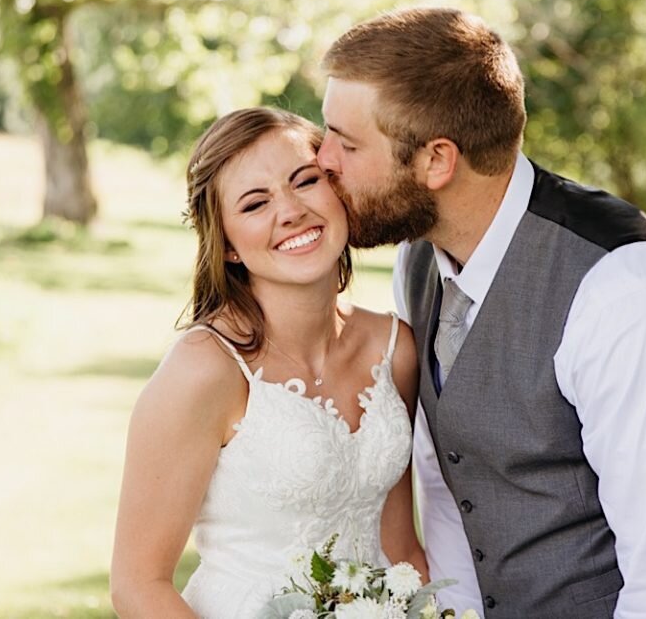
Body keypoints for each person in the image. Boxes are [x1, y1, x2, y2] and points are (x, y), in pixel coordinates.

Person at [317, 7, 646, 618]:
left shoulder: (629, 293)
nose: (321, 158)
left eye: (346, 142)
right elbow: (450, 487)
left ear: (437, 160)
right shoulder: (420, 259)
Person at [110, 107, 426, 618]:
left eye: (305, 180)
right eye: (255, 204)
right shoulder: (205, 369)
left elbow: (401, 552)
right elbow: (137, 585)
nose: (291, 210)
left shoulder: (394, 348)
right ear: (228, 245)